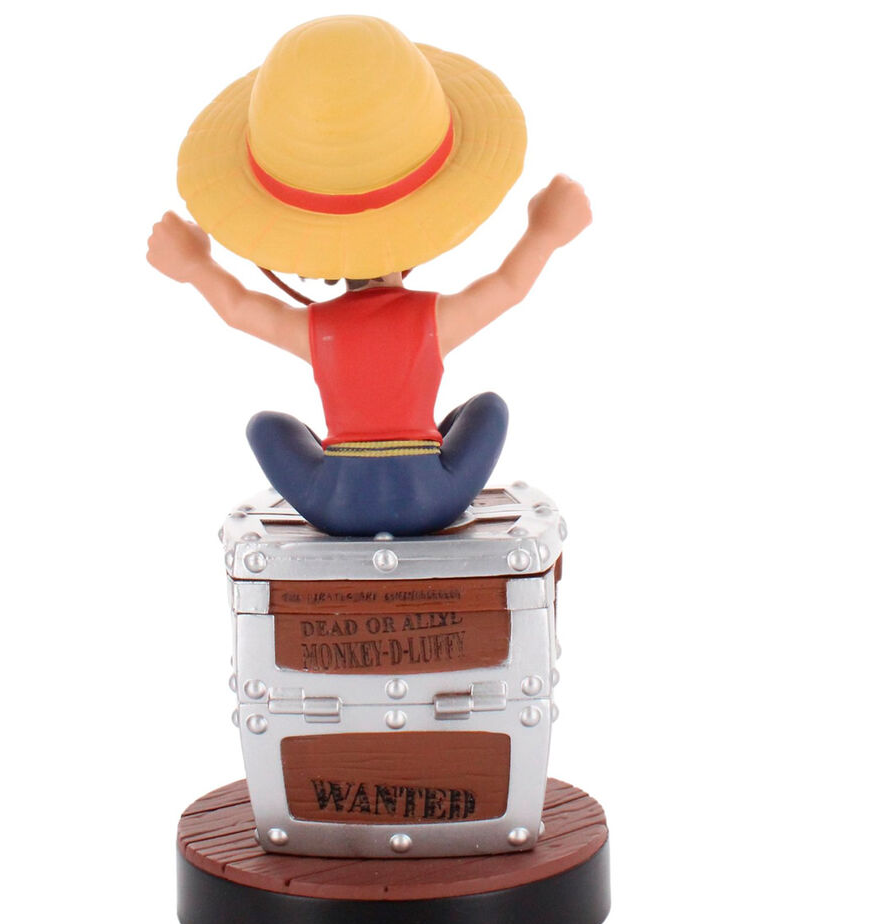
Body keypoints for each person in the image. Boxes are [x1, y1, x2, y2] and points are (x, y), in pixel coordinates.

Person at [146, 15, 591, 536]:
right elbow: (509, 286)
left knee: (265, 426)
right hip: (435, 498)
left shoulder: (315, 330)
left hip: (336, 503)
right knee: (488, 408)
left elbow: (240, 309)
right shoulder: (435, 320)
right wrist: (545, 232)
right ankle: (419, 446)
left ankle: (366, 455)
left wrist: (195, 265)